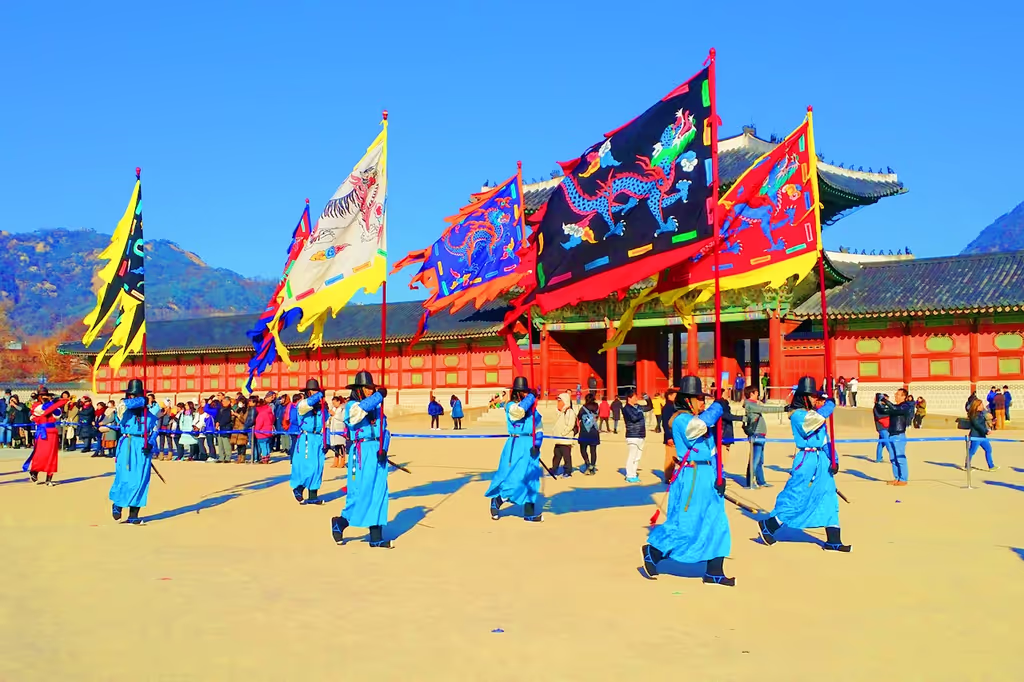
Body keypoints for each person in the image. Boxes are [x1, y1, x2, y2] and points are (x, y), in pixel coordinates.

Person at [641, 376, 733, 585]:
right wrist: (718, 406)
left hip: (708, 475)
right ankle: (653, 551)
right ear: (688, 400)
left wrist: (721, 475)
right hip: (692, 478)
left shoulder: (697, 419)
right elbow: (701, 425)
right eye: (699, 399)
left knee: (717, 521)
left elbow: (712, 451)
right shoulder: (682, 420)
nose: (703, 403)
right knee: (686, 524)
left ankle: (714, 570)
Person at [757, 377, 850, 552]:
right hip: (806, 461)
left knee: (828, 496)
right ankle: (770, 524)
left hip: (822, 459)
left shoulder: (816, 414)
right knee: (797, 496)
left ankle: (833, 539)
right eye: (812, 396)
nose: (815, 399)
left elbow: (824, 440)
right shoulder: (799, 416)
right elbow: (814, 421)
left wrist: (834, 458)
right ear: (803, 397)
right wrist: (829, 405)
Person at [331, 371, 393, 547]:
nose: (369, 391)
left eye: (371, 389)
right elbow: (359, 413)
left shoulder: (377, 408)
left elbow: (385, 430)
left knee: (379, 492)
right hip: (361, 451)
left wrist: (384, 448)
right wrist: (378, 396)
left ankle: (376, 537)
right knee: (361, 491)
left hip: (377, 451)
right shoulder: (352, 406)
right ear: (358, 389)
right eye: (366, 388)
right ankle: (341, 521)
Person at [486, 376, 544, 523]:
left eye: (526, 392)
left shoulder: (532, 409)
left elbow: (539, 427)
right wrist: (531, 396)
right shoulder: (511, 406)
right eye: (523, 392)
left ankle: (529, 514)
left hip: (530, 446)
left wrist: (537, 444)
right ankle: (498, 500)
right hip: (516, 444)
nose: (525, 394)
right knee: (515, 479)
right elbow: (519, 412)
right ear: (517, 393)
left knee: (532, 480)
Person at [105, 379, 160, 525]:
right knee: (125, 478)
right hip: (127, 446)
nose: (134, 398)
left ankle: (134, 513)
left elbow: (155, 431)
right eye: (132, 395)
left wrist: (151, 444)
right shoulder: (124, 411)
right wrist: (139, 400)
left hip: (143, 447)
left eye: (137, 395)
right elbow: (123, 405)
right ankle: (118, 504)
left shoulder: (151, 415)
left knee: (141, 480)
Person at [290, 379, 327, 505]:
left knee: (318, 467)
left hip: (319, 438)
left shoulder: (322, 407)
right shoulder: (302, 405)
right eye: (313, 391)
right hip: (307, 438)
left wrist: (326, 441)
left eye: (316, 391)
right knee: (308, 466)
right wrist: (320, 395)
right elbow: (309, 402)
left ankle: (313, 496)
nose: (315, 393)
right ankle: (299, 488)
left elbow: (325, 424)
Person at [742, 386, 783, 488]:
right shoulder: (750, 405)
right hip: (756, 434)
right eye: (756, 393)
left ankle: (761, 481)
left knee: (760, 460)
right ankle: (750, 482)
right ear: (751, 394)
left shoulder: (752, 404)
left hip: (760, 434)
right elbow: (765, 409)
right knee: (755, 459)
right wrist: (784, 409)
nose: (758, 395)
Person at [27, 388, 70, 485]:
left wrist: (54, 404)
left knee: (52, 455)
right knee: (40, 455)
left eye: (46, 395)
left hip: (52, 433)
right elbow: (39, 412)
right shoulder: (36, 406)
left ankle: (49, 478)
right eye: (42, 395)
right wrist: (50, 404)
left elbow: (57, 415)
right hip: (42, 432)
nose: (44, 397)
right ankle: (34, 471)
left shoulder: (55, 406)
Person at [876, 388, 915, 485]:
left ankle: (903, 479)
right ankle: (897, 477)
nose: (895, 395)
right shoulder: (895, 406)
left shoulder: (906, 406)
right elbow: (884, 410)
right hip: (891, 434)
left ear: (903, 396)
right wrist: (878, 402)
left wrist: (885, 400)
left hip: (899, 435)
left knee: (900, 457)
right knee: (893, 458)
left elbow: (895, 409)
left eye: (898, 394)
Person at [550, 391, 577, 478]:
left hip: (565, 439)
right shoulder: (561, 412)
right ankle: (554, 470)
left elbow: (570, 425)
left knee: (566, 456)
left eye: (559, 401)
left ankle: (567, 471)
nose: (558, 403)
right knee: (556, 455)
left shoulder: (569, 412)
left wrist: (563, 433)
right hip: (558, 439)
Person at [622, 389, 646, 483]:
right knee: (632, 455)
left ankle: (634, 473)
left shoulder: (638, 407)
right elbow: (634, 418)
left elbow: (649, 407)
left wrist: (647, 398)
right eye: (634, 396)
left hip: (641, 434)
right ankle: (629, 475)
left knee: (637, 457)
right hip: (632, 434)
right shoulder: (626, 408)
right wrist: (640, 412)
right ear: (629, 398)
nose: (636, 398)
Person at [966, 398, 997, 471]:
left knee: (988, 449)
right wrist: (986, 431)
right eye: (981, 404)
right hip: (976, 436)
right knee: (972, 451)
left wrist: (991, 423)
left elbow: (983, 423)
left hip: (982, 436)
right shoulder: (973, 415)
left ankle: (991, 466)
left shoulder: (981, 413)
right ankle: (967, 465)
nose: (983, 406)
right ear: (977, 406)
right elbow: (977, 425)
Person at [577, 392, 600, 475]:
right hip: (594, 430)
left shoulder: (583, 408)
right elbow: (597, 416)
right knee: (593, 451)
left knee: (583, 449)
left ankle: (587, 463)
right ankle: (592, 467)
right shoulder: (597, 407)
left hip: (585, 431)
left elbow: (579, 417)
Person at [660, 388, 678, 484]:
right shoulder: (667, 407)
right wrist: (669, 437)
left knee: (675, 457)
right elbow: (665, 424)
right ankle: (668, 477)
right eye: (674, 395)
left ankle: (672, 475)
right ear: (669, 396)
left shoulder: (673, 407)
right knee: (670, 458)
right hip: (670, 436)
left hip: (675, 436)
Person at [872, 393, 895, 464]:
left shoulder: (883, 406)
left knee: (881, 443)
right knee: (888, 442)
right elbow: (879, 416)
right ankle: (893, 458)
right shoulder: (877, 407)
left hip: (885, 427)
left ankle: (878, 458)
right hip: (882, 427)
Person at [328, 395, 348, 468]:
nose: (334, 404)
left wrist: (334, 415)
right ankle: (335, 461)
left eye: (334, 403)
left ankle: (342, 461)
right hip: (333, 429)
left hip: (340, 429)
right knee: (335, 447)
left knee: (341, 446)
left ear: (338, 402)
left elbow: (343, 418)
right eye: (332, 403)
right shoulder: (333, 409)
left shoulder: (343, 409)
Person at [253, 395, 275, 464]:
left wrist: (256, 431)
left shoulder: (261, 414)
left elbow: (259, 424)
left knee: (263, 446)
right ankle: (268, 457)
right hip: (268, 432)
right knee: (267, 445)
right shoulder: (270, 412)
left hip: (261, 433)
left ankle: (265, 458)